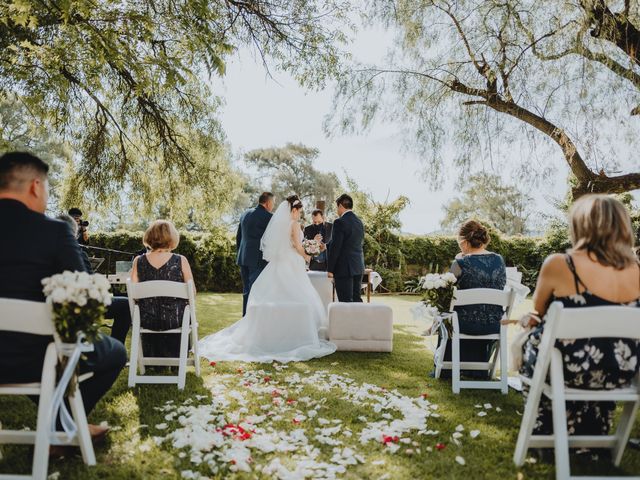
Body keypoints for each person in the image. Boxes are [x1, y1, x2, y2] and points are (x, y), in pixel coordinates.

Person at [0, 151, 126, 442]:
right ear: (35, 186)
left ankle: (61, 423)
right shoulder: (53, 232)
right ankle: (62, 428)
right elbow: (85, 290)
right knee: (115, 351)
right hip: (33, 358)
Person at [520, 194, 640, 439]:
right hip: (620, 371)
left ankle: (547, 428)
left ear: (580, 225)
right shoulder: (636, 269)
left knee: (532, 343)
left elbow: (539, 310)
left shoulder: (560, 264)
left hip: (568, 370)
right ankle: (589, 431)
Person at [198, 195, 336, 362]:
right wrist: (308, 256)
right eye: (299, 211)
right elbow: (298, 246)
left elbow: (242, 238)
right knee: (294, 295)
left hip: (262, 259)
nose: (300, 214)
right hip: (289, 261)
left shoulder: (264, 219)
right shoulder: (291, 223)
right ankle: (291, 335)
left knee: (267, 292)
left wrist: (308, 247)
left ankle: (263, 329)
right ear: (293, 210)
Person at [434, 220, 507, 378]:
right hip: (494, 325)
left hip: (464, 325)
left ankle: (447, 369)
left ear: (465, 242)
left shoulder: (460, 263)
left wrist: (459, 259)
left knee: (446, 313)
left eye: (459, 243)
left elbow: (446, 293)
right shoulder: (499, 260)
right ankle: (477, 370)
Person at [131, 220, 194, 358]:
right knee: (185, 311)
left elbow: (133, 294)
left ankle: (152, 358)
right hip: (176, 319)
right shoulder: (180, 260)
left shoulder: (138, 261)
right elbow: (192, 293)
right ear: (172, 237)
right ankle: (177, 357)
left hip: (147, 319)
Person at [237, 192, 274, 316]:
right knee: (256, 291)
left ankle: (245, 317)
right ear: (268, 203)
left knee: (246, 290)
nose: (273, 206)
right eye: (273, 203)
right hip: (257, 259)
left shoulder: (244, 214)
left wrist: (240, 254)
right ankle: (251, 320)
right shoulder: (269, 217)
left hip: (243, 258)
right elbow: (271, 240)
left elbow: (239, 238)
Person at [326, 194, 365, 302]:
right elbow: (351, 243)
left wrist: (330, 269)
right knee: (357, 299)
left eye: (337, 207)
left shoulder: (339, 222)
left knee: (345, 301)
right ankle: (359, 319)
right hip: (358, 266)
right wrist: (325, 246)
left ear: (340, 206)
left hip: (344, 269)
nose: (337, 210)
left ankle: (347, 319)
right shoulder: (359, 222)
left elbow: (336, 247)